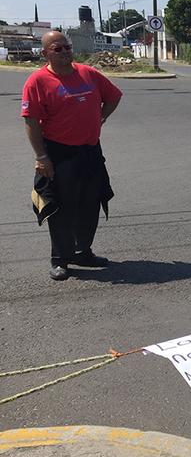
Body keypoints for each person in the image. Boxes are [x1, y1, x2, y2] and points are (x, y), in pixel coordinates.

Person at [20, 31, 122, 281]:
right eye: (58, 49)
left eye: (67, 47)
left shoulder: (88, 73)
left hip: (90, 151)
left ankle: (82, 251)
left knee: (90, 204)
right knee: (62, 209)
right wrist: (41, 157)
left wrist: (102, 116)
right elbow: (31, 121)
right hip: (59, 153)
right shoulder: (38, 81)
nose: (65, 51)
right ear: (45, 53)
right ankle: (60, 259)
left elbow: (113, 96)